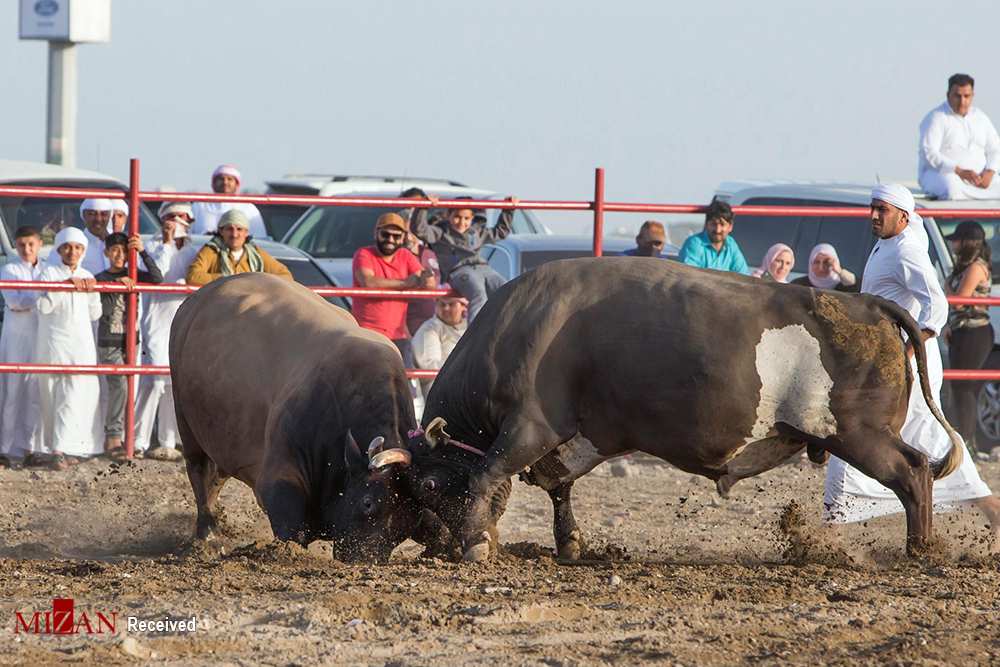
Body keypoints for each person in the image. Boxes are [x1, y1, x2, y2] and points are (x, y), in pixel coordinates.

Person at [823, 184, 1000, 537]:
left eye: (882, 210)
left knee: (863, 429)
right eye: (872, 207)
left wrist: (909, 349)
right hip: (889, 362)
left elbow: (937, 303)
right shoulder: (888, 244)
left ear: (903, 216)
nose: (874, 215)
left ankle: (832, 521)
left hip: (907, 364)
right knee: (906, 434)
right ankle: (835, 517)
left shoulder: (906, 250)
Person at [35, 227, 103, 470]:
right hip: (54, 343)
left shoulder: (87, 274)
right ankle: (56, 448)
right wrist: (65, 285)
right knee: (54, 394)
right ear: (59, 249)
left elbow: (96, 312)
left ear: (83, 251)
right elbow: (42, 307)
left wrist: (92, 289)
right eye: (67, 247)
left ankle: (70, 447)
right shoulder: (48, 273)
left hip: (81, 344)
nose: (72, 252)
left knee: (77, 394)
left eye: (77, 248)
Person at [135, 202, 199, 461]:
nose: (176, 221)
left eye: (181, 217)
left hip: (182, 319)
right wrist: (167, 242)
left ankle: (169, 440)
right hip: (156, 320)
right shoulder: (151, 247)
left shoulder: (193, 252)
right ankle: (138, 440)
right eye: (170, 217)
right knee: (153, 381)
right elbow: (158, 275)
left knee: (175, 383)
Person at [94, 233, 164, 461]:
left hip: (131, 341)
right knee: (120, 387)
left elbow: (157, 278)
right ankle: (113, 437)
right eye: (114, 250)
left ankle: (124, 438)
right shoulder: (100, 277)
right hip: (109, 341)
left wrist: (142, 252)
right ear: (106, 252)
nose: (119, 255)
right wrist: (116, 285)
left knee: (128, 389)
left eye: (124, 252)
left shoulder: (132, 274)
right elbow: (98, 297)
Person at [411, 196, 518, 321]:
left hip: (483, 269)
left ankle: (508, 328)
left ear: (472, 218)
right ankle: (477, 336)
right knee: (478, 294)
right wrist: (423, 207)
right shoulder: (440, 233)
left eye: (466, 218)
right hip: (459, 271)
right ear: (448, 215)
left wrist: (508, 210)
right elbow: (419, 230)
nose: (461, 222)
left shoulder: (476, 232)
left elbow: (500, 232)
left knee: (508, 289)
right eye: (457, 217)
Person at [352, 212, 436, 361]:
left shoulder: (405, 255)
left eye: (396, 236)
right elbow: (368, 282)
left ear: (403, 237)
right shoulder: (364, 254)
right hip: (366, 335)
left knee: (405, 381)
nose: (390, 240)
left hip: (398, 335)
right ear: (376, 233)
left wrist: (426, 277)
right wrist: (406, 283)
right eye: (385, 234)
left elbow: (429, 284)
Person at [942, 220, 993, 454]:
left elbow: (960, 299)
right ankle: (962, 441)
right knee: (959, 386)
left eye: (957, 239)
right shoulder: (964, 266)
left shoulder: (975, 267)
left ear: (968, 242)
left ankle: (967, 443)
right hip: (962, 330)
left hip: (975, 331)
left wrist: (944, 287)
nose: (953, 244)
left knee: (965, 387)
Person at [0, 226, 44, 466]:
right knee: (11, 392)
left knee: (35, 393)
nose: (26, 249)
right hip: (16, 337)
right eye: (21, 245)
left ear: (38, 243)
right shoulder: (9, 269)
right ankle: (5, 447)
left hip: (40, 337)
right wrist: (42, 296)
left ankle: (30, 446)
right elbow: (15, 302)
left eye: (31, 244)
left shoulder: (47, 268)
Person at [919, 73, 1000, 200]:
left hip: (980, 180)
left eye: (966, 96)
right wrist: (960, 171)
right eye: (957, 96)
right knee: (952, 189)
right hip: (944, 175)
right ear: (948, 95)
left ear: (972, 96)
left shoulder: (981, 118)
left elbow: (995, 149)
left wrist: (989, 172)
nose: (962, 101)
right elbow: (929, 153)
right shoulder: (937, 118)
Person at [186, 210, 292, 285]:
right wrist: (229, 279)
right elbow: (193, 276)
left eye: (239, 229)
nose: (234, 234)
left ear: (246, 233)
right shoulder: (211, 251)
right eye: (229, 229)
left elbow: (285, 275)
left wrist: (258, 281)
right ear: (221, 231)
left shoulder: (256, 253)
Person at [190, 164, 269, 238]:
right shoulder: (199, 206)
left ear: (237, 184)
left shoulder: (248, 207)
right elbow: (188, 237)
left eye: (230, 179)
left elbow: (259, 238)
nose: (225, 182)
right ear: (213, 183)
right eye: (221, 179)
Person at [412, 292, 468, 394]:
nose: (446, 308)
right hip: (440, 388)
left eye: (451, 304)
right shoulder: (429, 328)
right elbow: (430, 368)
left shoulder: (470, 326)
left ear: (463, 307)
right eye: (442, 304)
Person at [678, 199, 750, 274]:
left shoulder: (731, 244)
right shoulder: (694, 243)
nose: (717, 230)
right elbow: (688, 277)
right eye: (713, 224)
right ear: (706, 224)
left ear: (730, 226)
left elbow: (743, 275)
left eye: (722, 224)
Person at [790, 243, 859, 292]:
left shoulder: (843, 286)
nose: (821, 267)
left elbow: (857, 289)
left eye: (826, 262)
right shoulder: (798, 285)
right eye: (816, 262)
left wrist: (840, 271)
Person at [79, 198, 113, 275]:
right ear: (83, 215)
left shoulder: (120, 241)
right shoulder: (74, 243)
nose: (98, 219)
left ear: (110, 216)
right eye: (92, 214)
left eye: (104, 214)